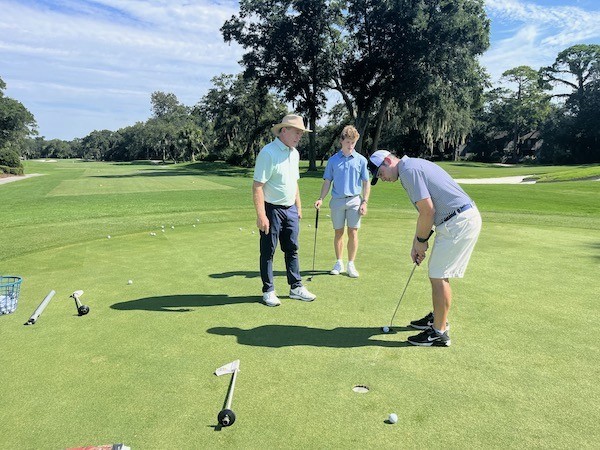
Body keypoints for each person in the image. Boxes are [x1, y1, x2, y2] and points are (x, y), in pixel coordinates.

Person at [368, 150, 482, 347]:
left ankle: (439, 332)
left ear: (388, 160)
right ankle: (438, 317)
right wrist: (417, 241)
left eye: (380, 173)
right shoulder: (411, 166)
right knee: (437, 272)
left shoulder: (408, 171)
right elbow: (426, 213)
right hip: (456, 219)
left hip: (458, 221)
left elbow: (428, 211)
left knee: (438, 275)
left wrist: (421, 241)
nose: (382, 178)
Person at [253, 114, 317, 307]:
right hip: (271, 209)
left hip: (290, 209)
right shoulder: (268, 152)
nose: (299, 137)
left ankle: (296, 287)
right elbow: (257, 186)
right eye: (296, 132)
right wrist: (261, 215)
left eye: (301, 133)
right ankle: (268, 291)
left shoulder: (294, 153)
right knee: (268, 252)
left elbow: (294, 182)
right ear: (284, 131)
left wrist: (298, 205)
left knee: (292, 249)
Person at [314, 125, 370, 278]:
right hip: (337, 201)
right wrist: (321, 199)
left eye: (353, 143)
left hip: (354, 201)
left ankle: (351, 264)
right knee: (338, 232)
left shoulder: (361, 160)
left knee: (353, 232)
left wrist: (364, 202)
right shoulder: (333, 160)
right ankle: (339, 262)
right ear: (341, 141)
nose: (350, 146)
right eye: (348, 142)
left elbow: (366, 182)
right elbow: (327, 182)